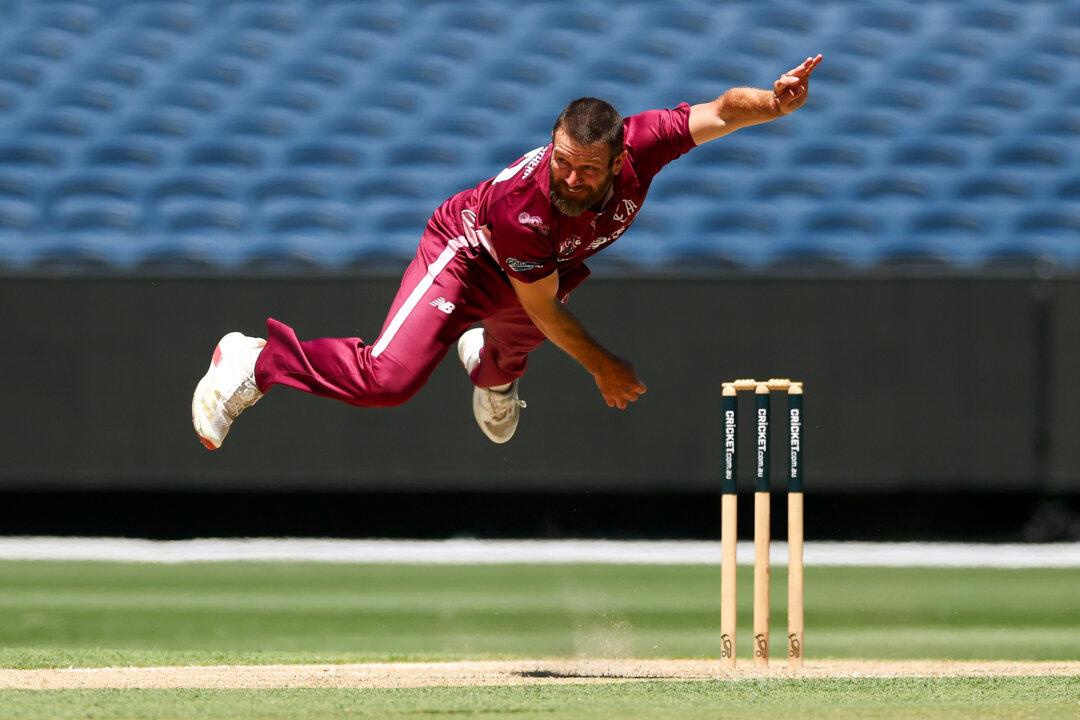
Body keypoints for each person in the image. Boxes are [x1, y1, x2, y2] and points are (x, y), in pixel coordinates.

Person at [192, 55, 823, 450]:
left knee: (500, 368)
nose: (570, 180)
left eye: (586, 171)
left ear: (618, 160)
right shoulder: (523, 205)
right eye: (563, 164)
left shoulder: (644, 143)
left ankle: (488, 371)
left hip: (542, 277)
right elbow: (545, 311)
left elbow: (720, 111)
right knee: (388, 382)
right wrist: (603, 366)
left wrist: (775, 103)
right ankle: (257, 359)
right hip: (468, 258)